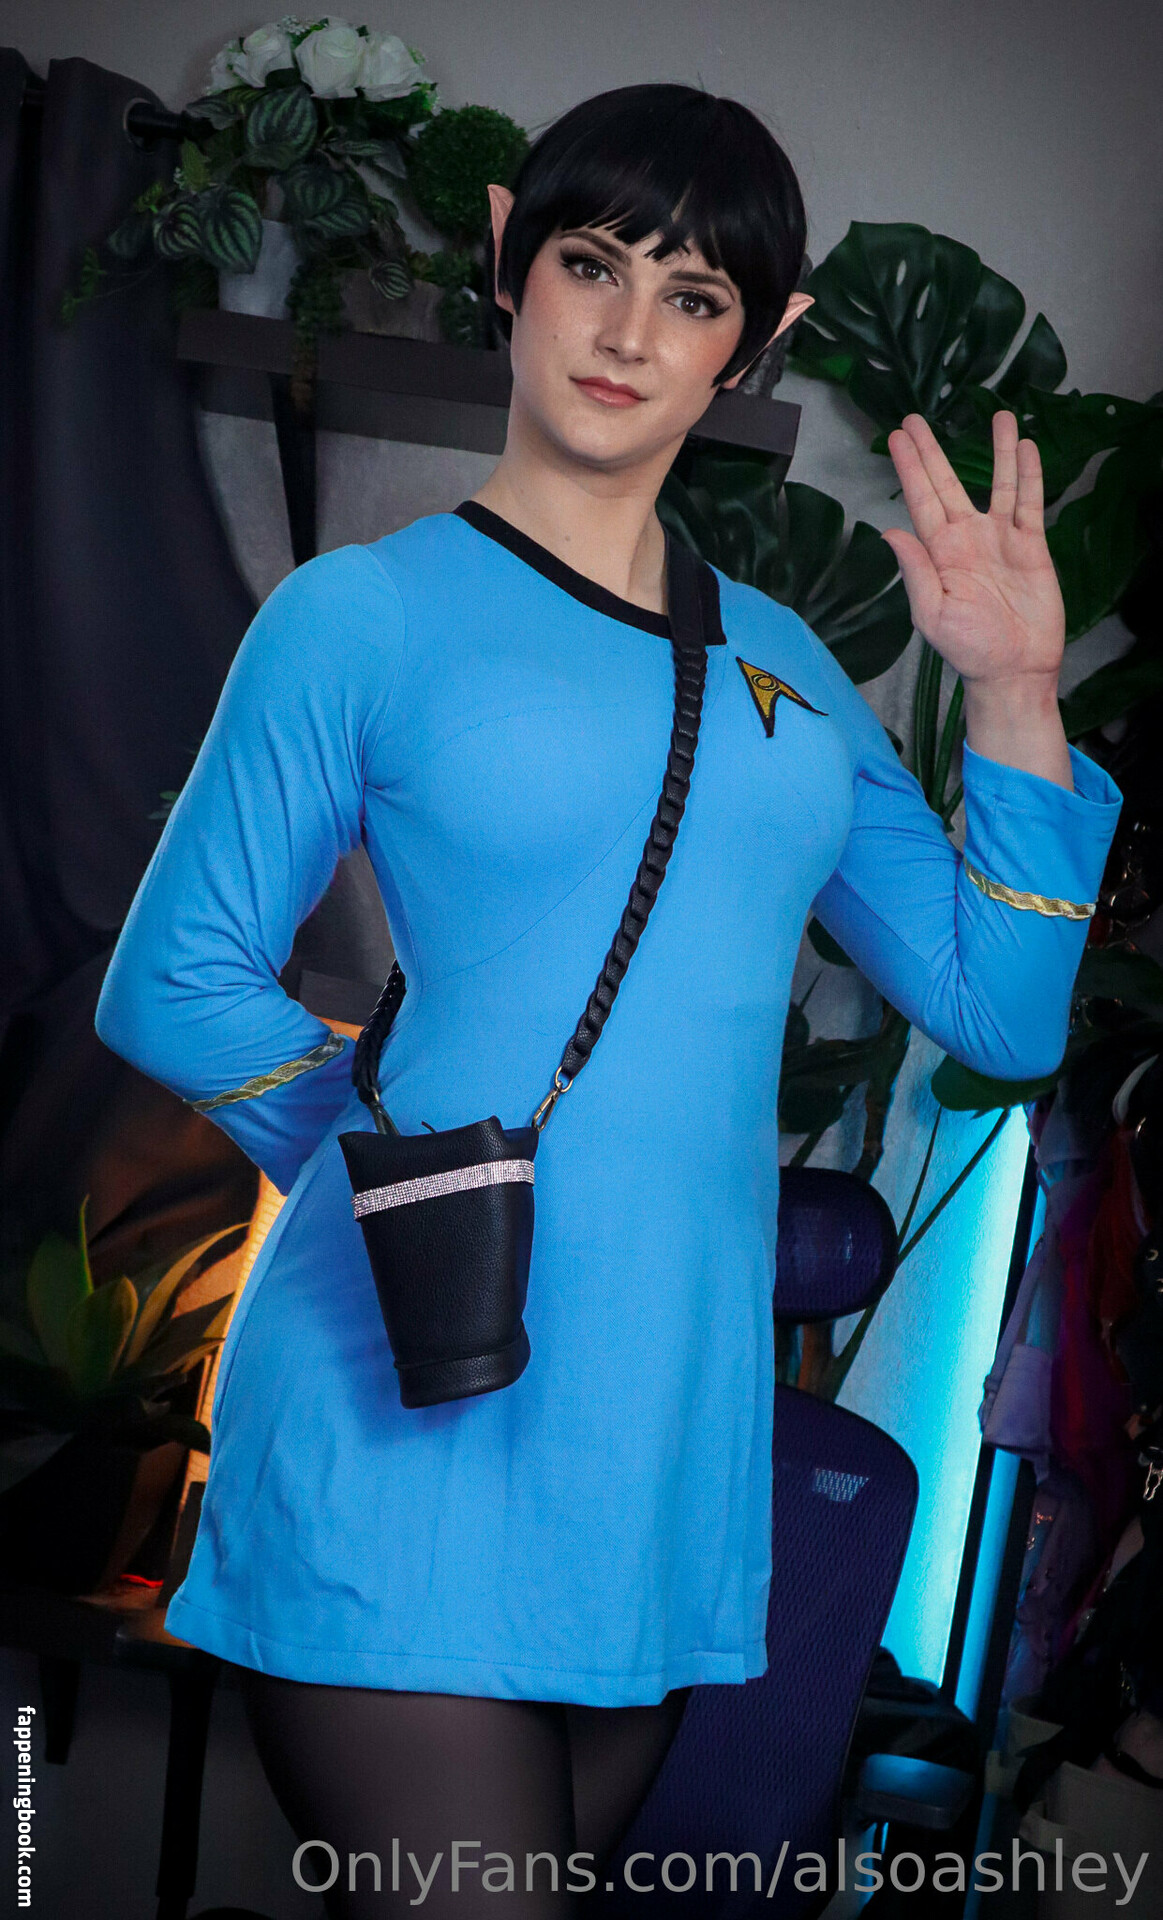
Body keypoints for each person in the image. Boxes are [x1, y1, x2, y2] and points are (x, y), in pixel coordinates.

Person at [95, 82, 1122, 1918]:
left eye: (694, 294)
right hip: (412, 1388)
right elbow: (176, 979)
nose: (631, 331)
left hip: (659, 1438)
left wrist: (1018, 696)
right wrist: (413, 1177)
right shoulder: (359, 616)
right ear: (511, 253)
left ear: (759, 337)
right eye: (594, 264)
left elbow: (1004, 1018)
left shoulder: (789, 669)